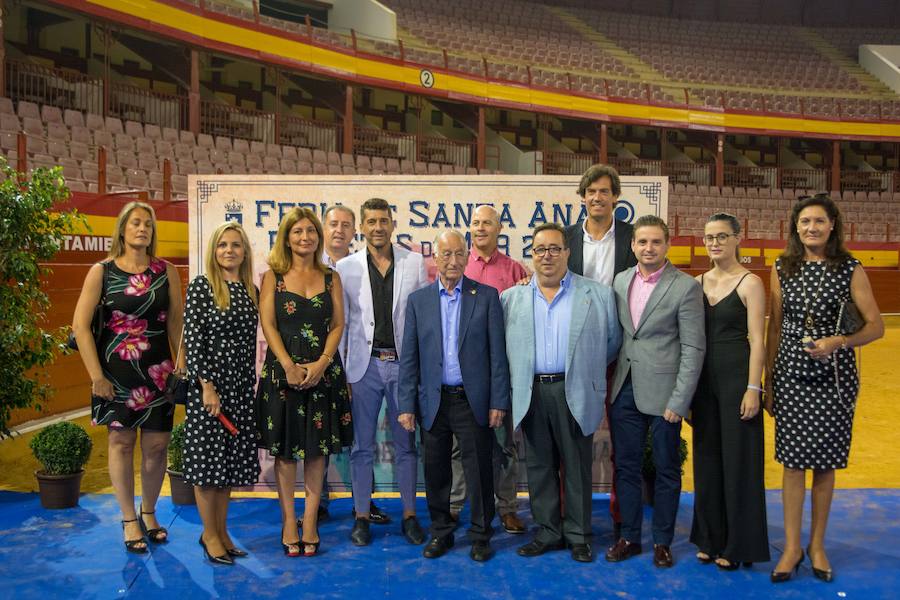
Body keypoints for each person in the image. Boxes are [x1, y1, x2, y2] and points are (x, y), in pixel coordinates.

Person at [765, 194, 884, 583]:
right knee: (793, 464)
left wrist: (838, 342)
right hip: (792, 378)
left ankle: (817, 545)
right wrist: (769, 379)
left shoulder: (850, 268)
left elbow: (875, 326)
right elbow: (775, 327)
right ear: (795, 227)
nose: (811, 228)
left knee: (826, 465)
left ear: (833, 225)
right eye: (804, 222)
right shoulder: (782, 267)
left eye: (819, 221)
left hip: (834, 380)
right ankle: (792, 547)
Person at [501, 222, 621, 563]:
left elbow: (610, 344)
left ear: (568, 252)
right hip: (533, 392)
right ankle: (548, 532)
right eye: (540, 249)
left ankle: (578, 535)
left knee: (577, 467)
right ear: (532, 254)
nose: (548, 256)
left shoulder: (597, 295)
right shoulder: (511, 298)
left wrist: (584, 371)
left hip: (575, 389)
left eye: (555, 248)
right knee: (539, 468)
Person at [72, 201, 183, 553]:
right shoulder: (101, 271)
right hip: (114, 374)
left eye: (148, 224)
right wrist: (95, 376)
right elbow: (80, 327)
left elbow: (177, 324)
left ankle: (149, 512)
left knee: (156, 445)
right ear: (121, 229)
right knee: (121, 443)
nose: (142, 229)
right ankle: (128, 519)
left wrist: (180, 366)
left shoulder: (167, 272)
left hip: (158, 371)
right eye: (135, 223)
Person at [398, 230, 511, 562]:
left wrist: (498, 401)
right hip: (433, 402)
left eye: (459, 254)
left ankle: (480, 535)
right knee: (435, 473)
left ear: (466, 257)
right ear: (435, 257)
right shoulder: (418, 301)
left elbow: (497, 356)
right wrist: (406, 405)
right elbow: (410, 357)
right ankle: (441, 532)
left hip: (472, 401)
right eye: (445, 254)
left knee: (479, 471)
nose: (452, 260)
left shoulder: (486, 296)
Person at [606, 215, 704, 569]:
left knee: (665, 470)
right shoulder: (620, 281)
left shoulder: (686, 287)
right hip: (625, 390)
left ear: (667, 246)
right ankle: (630, 536)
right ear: (632, 245)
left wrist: (680, 400)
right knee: (626, 468)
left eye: (656, 242)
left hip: (665, 396)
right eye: (642, 242)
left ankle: (662, 541)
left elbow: (693, 349)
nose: (648, 248)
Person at [256, 207, 353, 557]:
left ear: (318, 236)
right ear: (287, 237)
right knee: (284, 453)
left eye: (310, 231)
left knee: (316, 453)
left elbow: (338, 324)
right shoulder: (273, 276)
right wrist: (288, 365)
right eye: (297, 232)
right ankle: (288, 521)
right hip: (283, 373)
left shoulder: (332, 278)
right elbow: (268, 324)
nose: (304, 237)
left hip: (323, 374)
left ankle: (309, 522)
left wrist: (322, 363)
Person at [336, 197, 429, 546]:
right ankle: (361, 516)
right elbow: (343, 325)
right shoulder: (346, 267)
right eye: (371, 221)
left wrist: (417, 370)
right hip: (364, 368)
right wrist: (345, 374)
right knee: (361, 447)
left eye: (383, 221)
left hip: (403, 367)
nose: (377, 227)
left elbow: (421, 321)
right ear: (362, 226)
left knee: (407, 446)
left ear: (393, 224)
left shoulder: (415, 263)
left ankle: (409, 516)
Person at [689, 214, 769, 570]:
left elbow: (758, 340)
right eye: (709, 237)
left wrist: (754, 387)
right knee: (707, 460)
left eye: (722, 236)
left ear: (738, 238)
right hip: (705, 382)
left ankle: (738, 545)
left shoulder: (750, 283)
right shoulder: (696, 283)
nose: (715, 243)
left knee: (739, 463)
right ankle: (709, 537)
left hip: (739, 379)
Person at [444, 204, 527, 534]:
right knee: (457, 446)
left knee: (503, 445)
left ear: (499, 229)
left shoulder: (514, 270)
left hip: (499, 371)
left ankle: (506, 507)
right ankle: (453, 505)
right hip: (461, 374)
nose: (480, 228)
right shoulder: (457, 266)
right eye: (475, 223)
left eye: (487, 223)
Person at [565, 164, 637, 539]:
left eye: (604, 191)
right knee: (572, 439)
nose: (597, 197)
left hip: (620, 350)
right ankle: (569, 516)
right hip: (574, 352)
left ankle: (623, 518)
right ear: (582, 197)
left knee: (623, 442)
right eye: (591, 191)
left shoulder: (633, 238)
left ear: (615, 198)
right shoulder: (565, 238)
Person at [183, 221, 260, 565]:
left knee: (227, 466)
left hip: (241, 389)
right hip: (209, 392)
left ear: (244, 252)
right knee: (207, 466)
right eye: (222, 245)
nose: (229, 250)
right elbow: (194, 341)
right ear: (213, 251)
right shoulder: (202, 286)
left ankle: (222, 530)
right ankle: (209, 535)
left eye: (236, 245)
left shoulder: (249, 289)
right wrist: (207, 387)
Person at [313, 205, 390, 525]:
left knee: (362, 436)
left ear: (354, 230)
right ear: (323, 228)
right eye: (333, 224)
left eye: (346, 225)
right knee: (317, 436)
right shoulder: (309, 267)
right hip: (316, 365)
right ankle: (317, 503)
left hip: (354, 366)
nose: (339, 230)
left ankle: (365, 500)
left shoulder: (359, 267)